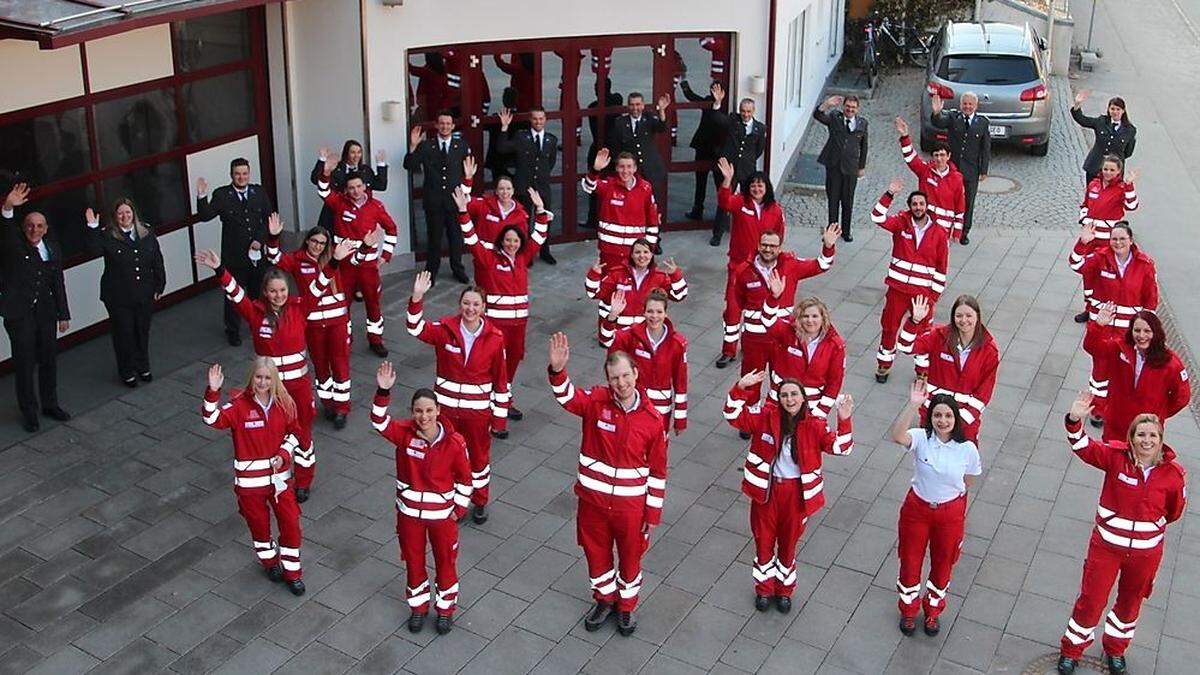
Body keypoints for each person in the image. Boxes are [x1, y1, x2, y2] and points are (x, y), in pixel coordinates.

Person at [195, 239, 353, 503]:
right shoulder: (255, 314)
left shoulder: (300, 307)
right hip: (266, 389)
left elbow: (321, 283)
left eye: (282, 290)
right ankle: (277, 478)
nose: (279, 295)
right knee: (270, 435)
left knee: (302, 434)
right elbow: (236, 295)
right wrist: (219, 269)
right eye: (273, 291)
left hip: (297, 387)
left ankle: (304, 480)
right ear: (265, 293)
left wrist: (334, 259)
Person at [1056, 392, 1186, 675]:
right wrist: (1075, 418)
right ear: (1131, 437)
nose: (1146, 440)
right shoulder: (1115, 458)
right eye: (1141, 434)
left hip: (1145, 554)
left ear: (1161, 439)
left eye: (1152, 435)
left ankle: (1115, 649)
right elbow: (1082, 446)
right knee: (1091, 600)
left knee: (1130, 604)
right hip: (1106, 548)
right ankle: (1072, 649)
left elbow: (1174, 511)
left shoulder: (1173, 475)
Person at [547, 332, 667, 637]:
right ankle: (604, 600)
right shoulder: (596, 401)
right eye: (614, 378)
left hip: (630, 509)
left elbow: (658, 472)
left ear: (636, 374)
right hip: (593, 503)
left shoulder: (652, 420)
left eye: (626, 375)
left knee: (630, 558)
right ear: (607, 379)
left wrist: (651, 517)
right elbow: (567, 398)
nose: (621, 383)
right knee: (595, 553)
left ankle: (626, 608)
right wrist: (558, 371)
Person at [725, 370, 853, 612]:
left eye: (794, 394)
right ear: (778, 398)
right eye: (784, 395)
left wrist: (844, 419)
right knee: (763, 542)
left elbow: (842, 448)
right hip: (767, 491)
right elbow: (732, 415)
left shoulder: (815, 425)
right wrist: (740, 387)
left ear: (803, 398)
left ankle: (784, 590)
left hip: (796, 495)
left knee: (788, 545)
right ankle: (763, 590)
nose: (789, 399)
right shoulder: (765, 417)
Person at [372, 363, 472, 635]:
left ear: (438, 411)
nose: (423, 416)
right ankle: (418, 609)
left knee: (445, 563)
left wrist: (459, 510)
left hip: (442, 519)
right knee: (414, 561)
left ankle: (445, 610)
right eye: (418, 411)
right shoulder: (404, 433)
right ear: (412, 413)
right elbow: (379, 421)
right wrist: (383, 390)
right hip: (410, 517)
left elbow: (465, 478)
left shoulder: (455, 443)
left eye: (429, 410)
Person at [407, 271, 509, 524]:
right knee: (448, 458)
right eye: (466, 303)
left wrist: (498, 421)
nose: (470, 309)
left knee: (478, 460)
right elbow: (415, 328)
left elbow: (501, 381)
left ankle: (480, 500)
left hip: (477, 415)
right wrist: (417, 297)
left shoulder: (495, 339)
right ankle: (452, 501)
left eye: (476, 304)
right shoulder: (445, 330)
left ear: (484, 307)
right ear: (459, 305)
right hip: (447, 414)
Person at [202, 360, 306, 596]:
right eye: (259, 377)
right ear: (252, 378)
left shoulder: (285, 403)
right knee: (259, 527)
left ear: (274, 380)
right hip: (250, 486)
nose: (262, 382)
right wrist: (213, 391)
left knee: (291, 524)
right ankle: (270, 562)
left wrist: (283, 454)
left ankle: (293, 573)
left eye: (267, 378)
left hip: (279, 482)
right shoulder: (239, 406)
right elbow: (211, 419)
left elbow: (296, 433)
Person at [889, 380, 981, 638]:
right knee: (910, 559)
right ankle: (908, 610)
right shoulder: (921, 438)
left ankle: (933, 611)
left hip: (949, 513)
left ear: (956, 419)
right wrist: (914, 404)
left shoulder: (967, 449)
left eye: (948, 415)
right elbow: (897, 435)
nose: (942, 420)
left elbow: (969, 481)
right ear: (930, 418)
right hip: (917, 510)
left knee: (943, 563)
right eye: (937, 415)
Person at [456, 186, 550, 430]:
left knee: (515, 358)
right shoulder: (488, 259)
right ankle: (491, 406)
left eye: (515, 240)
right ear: (501, 241)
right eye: (508, 240)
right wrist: (463, 212)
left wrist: (540, 210)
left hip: (519, 325)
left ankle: (503, 398)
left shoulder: (523, 258)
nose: (511, 244)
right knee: (495, 363)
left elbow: (539, 236)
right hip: (496, 325)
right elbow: (472, 239)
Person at [726, 227, 839, 411]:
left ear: (780, 248)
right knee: (751, 377)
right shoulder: (743, 270)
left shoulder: (790, 264)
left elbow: (822, 265)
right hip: (755, 339)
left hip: (784, 337)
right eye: (764, 245)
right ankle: (752, 413)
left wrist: (828, 246)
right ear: (758, 245)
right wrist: (731, 341)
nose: (768, 249)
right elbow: (737, 301)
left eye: (773, 246)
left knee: (782, 379)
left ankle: (780, 413)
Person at [1068, 221, 1158, 428]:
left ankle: (1120, 407)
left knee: (1126, 371)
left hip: (1129, 333)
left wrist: (1146, 329)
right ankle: (1098, 409)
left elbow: (1150, 299)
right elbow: (1076, 265)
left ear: (1131, 240)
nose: (1118, 243)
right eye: (1114, 239)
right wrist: (1082, 243)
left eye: (1122, 239)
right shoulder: (1101, 258)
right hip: (1103, 328)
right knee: (1100, 370)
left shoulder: (1144, 264)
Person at [264, 221, 353, 429]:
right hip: (313, 325)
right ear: (307, 241)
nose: (317, 246)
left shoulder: (336, 257)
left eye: (322, 243)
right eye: (314, 241)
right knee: (321, 365)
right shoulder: (297, 260)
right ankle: (328, 403)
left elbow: (357, 261)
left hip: (337, 323)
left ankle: (342, 408)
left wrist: (366, 246)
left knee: (340, 365)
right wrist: (273, 236)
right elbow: (274, 257)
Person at [1, 183, 70, 432]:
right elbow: (5, 230)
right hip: (19, 315)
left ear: (46, 228)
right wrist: (8, 207)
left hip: (45, 313)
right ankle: (29, 411)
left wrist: (63, 313)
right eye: (30, 225)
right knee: (25, 363)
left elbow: (57, 282)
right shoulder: (14, 246)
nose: (35, 230)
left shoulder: (52, 248)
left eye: (39, 226)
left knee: (48, 360)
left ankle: (50, 404)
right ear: (24, 228)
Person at [870, 179, 950, 383]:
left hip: (922, 295)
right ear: (909, 206)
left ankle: (922, 371)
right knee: (889, 328)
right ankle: (884, 365)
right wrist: (889, 193)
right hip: (897, 290)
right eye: (914, 204)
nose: (918, 207)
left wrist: (934, 297)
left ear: (927, 206)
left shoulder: (939, 233)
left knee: (923, 332)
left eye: (921, 204)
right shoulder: (900, 223)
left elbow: (942, 268)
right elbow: (877, 217)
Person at [316, 163, 398, 357]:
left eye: (359, 186)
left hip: (368, 266)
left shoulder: (375, 207)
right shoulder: (339, 203)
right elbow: (323, 191)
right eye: (351, 187)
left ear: (365, 187)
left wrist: (385, 256)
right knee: (342, 304)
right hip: (344, 265)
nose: (355, 191)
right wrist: (325, 174)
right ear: (346, 189)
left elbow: (392, 229)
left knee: (373, 303)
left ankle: (376, 340)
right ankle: (345, 340)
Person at [82, 199, 165, 388]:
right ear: (115, 216)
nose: (124, 216)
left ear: (133, 214)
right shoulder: (108, 235)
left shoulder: (146, 232)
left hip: (144, 292)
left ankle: (142, 365)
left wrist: (159, 285)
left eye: (128, 212)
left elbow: (157, 260)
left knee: (142, 331)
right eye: (120, 213)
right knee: (124, 334)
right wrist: (93, 227)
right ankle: (127, 371)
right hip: (118, 296)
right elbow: (93, 250)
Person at [897, 295, 1000, 443]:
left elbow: (983, 394)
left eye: (969, 315)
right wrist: (914, 322)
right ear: (953, 317)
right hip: (933, 415)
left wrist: (958, 422)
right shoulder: (938, 337)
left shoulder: (989, 351)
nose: (964, 320)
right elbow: (905, 347)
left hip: (965, 423)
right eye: (959, 316)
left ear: (978, 317)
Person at [714, 158, 786, 367]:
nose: (756, 188)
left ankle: (754, 343)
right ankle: (729, 349)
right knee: (733, 309)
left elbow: (779, 238)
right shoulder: (740, 203)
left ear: (767, 187)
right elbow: (724, 202)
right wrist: (727, 180)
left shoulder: (776, 210)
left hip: (764, 269)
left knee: (761, 308)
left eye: (760, 184)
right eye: (753, 184)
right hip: (739, 266)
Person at [195, 158, 273, 346]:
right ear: (231, 175)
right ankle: (233, 330)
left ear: (249, 173)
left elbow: (268, 219)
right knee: (233, 295)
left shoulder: (258, 192)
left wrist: (259, 239)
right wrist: (201, 196)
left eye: (244, 173)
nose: (241, 177)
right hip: (234, 257)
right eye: (237, 174)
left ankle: (260, 324)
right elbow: (205, 216)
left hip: (256, 257)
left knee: (259, 293)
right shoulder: (222, 195)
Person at [1085, 303, 1189, 443]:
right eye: (1137, 330)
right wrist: (1098, 325)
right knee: (1113, 463)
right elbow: (1092, 347)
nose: (1141, 336)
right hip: (1116, 426)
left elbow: (1182, 397)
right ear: (1131, 331)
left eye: (1147, 331)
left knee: (1140, 464)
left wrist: (1159, 413)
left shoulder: (1170, 364)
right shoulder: (1120, 349)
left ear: (1156, 333)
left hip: (1145, 432)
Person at [602, 289, 689, 435]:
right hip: (633, 403)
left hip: (661, 408)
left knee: (658, 448)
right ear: (644, 312)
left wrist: (680, 419)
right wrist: (612, 317)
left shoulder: (677, 343)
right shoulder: (632, 335)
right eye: (650, 311)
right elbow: (607, 341)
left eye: (659, 312)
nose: (654, 316)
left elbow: (681, 382)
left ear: (665, 313)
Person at [404, 112, 473, 284]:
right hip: (433, 200)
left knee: (455, 237)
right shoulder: (427, 146)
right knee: (434, 238)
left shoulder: (461, 145)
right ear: (436, 125)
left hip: (454, 200)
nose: (445, 126)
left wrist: (466, 193)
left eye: (448, 123)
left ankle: (457, 268)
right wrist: (413, 147)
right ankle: (431, 272)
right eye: (441, 123)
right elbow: (410, 166)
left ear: (453, 126)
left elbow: (469, 171)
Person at [1073, 157, 1140, 323]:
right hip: (1090, 240)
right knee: (1088, 274)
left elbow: (1132, 206)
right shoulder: (1094, 185)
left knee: (1106, 277)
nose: (1108, 173)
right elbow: (1085, 205)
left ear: (1118, 171)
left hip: (1108, 243)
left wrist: (1130, 184)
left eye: (1112, 170)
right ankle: (1089, 308)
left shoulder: (1121, 188)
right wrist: (1084, 220)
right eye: (1105, 169)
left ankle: (1107, 310)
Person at [585, 239, 687, 346]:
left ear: (652, 255)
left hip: (647, 335)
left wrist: (675, 275)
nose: (642, 256)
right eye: (637, 252)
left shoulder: (660, 277)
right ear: (632, 255)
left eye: (646, 252)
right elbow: (593, 293)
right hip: (619, 334)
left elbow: (679, 296)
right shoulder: (617, 274)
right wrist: (594, 274)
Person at [496, 107, 558, 265]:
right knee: (524, 222)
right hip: (524, 186)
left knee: (544, 220)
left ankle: (545, 251)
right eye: (535, 119)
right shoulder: (521, 137)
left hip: (542, 187)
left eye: (541, 119)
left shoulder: (551, 140)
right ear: (530, 120)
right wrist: (504, 127)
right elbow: (502, 148)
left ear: (545, 120)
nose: (538, 122)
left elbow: (550, 162)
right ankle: (525, 253)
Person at [766, 297, 846, 419]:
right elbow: (768, 321)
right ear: (799, 318)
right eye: (805, 316)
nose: (810, 320)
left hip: (811, 407)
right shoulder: (788, 333)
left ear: (823, 318)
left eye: (815, 316)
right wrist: (773, 298)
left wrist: (820, 412)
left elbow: (835, 382)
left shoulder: (835, 345)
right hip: (779, 402)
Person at [581, 149, 660, 269]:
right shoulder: (608, 185)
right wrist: (595, 170)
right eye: (622, 167)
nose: (625, 171)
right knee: (608, 286)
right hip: (610, 252)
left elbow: (652, 220)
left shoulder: (646, 188)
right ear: (617, 168)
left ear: (635, 168)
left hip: (636, 253)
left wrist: (649, 248)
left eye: (629, 167)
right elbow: (588, 186)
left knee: (637, 286)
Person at [710, 84, 767, 245]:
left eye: (748, 111)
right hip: (730, 168)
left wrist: (748, 161)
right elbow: (716, 119)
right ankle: (717, 233)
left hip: (747, 169)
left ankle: (750, 229)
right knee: (725, 199)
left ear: (753, 112)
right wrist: (717, 103)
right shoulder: (733, 120)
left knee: (750, 200)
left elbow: (759, 149)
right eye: (743, 111)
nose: (745, 114)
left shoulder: (760, 128)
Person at [930, 93, 990, 244]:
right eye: (965, 104)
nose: (967, 107)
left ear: (976, 106)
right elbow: (939, 123)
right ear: (960, 104)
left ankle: (964, 231)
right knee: (948, 199)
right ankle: (945, 227)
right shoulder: (953, 118)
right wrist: (937, 113)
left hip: (971, 170)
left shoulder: (982, 123)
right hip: (953, 169)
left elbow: (985, 148)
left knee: (968, 201)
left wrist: (983, 170)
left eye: (970, 104)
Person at [896, 117, 965, 242]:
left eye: (942, 155)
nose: (939, 159)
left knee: (940, 259)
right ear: (933, 157)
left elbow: (960, 205)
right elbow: (911, 159)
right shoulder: (925, 171)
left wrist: (957, 232)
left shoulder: (957, 178)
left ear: (948, 156)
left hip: (944, 228)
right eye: (936, 155)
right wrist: (905, 137)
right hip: (924, 224)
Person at [814, 95, 868, 242]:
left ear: (857, 109)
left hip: (851, 167)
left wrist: (861, 167)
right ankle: (832, 231)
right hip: (834, 166)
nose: (850, 109)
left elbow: (864, 147)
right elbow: (818, 115)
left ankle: (846, 232)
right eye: (847, 106)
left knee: (848, 201)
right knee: (833, 200)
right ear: (843, 107)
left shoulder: (862, 124)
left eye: (853, 107)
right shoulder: (835, 118)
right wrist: (826, 104)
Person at [606, 92, 670, 209]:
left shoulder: (649, 118)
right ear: (628, 106)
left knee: (653, 202)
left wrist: (661, 110)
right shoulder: (620, 122)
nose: (635, 108)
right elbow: (615, 147)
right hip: (631, 172)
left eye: (638, 104)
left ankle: (653, 226)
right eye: (632, 105)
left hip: (651, 170)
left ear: (643, 105)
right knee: (632, 203)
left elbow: (662, 127)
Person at [308, 141, 387, 233]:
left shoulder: (365, 170)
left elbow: (381, 186)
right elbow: (315, 179)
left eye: (359, 152)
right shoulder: (336, 167)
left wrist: (381, 165)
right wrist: (322, 160)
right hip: (334, 215)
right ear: (346, 154)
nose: (356, 155)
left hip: (359, 216)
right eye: (353, 152)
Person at [677, 78, 726, 223]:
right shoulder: (707, 101)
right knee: (701, 181)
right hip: (703, 147)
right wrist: (684, 83)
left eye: (717, 90)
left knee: (720, 184)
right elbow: (692, 97)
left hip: (718, 151)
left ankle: (721, 214)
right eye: (712, 89)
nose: (714, 92)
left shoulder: (727, 106)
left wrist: (717, 103)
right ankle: (697, 210)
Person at [1071, 91, 1137, 183]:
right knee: (1092, 194)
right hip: (1095, 167)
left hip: (1114, 171)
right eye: (1112, 109)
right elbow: (1083, 120)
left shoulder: (1130, 130)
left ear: (1123, 111)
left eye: (1118, 109)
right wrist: (1077, 104)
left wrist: (1114, 159)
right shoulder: (1101, 122)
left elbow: (1128, 152)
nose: (1115, 112)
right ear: (1108, 110)